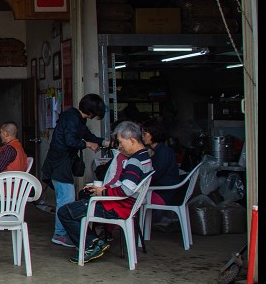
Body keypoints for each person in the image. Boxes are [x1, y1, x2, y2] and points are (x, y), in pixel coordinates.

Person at [56, 120, 152, 263]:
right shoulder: (144, 157)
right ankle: (94, 242)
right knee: (81, 202)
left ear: (131, 141)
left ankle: (91, 244)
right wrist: (104, 189)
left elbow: (125, 190)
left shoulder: (134, 162)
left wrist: (102, 193)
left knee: (65, 212)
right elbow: (126, 187)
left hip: (117, 207)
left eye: (120, 142)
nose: (119, 146)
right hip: (126, 205)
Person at [40, 93, 112, 248]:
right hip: (59, 164)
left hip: (60, 163)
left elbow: (87, 135)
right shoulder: (71, 118)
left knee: (65, 199)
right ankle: (60, 234)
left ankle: (62, 233)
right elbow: (70, 140)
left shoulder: (77, 118)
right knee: (66, 201)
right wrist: (88, 144)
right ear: (92, 111)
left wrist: (104, 142)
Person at [142, 118, 181, 227]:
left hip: (163, 193)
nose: (143, 136)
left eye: (145, 133)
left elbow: (154, 174)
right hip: (161, 191)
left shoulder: (163, 152)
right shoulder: (159, 150)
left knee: (131, 199)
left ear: (154, 134)